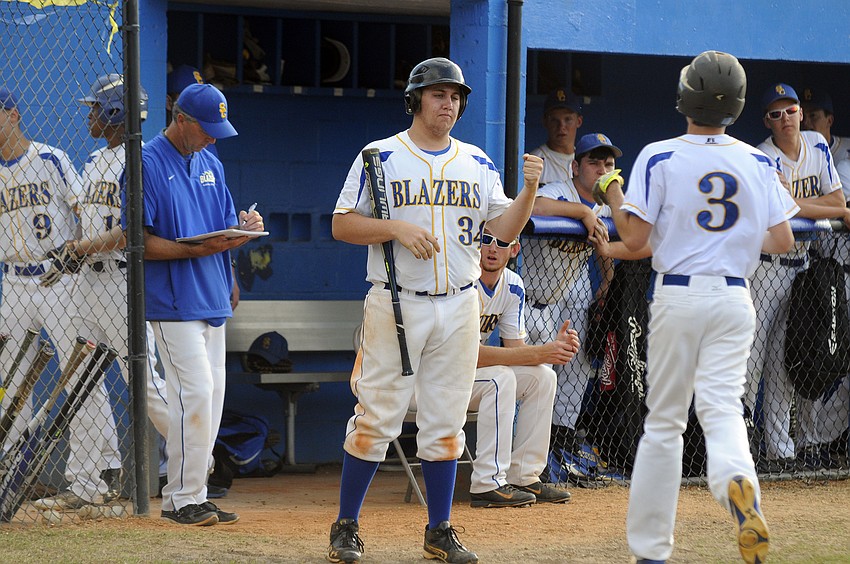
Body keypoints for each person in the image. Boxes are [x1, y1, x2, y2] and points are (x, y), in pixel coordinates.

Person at [328, 57, 543, 564]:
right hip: (396, 302)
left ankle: (439, 529)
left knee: (446, 420)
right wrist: (396, 228)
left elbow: (505, 231)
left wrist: (530, 191)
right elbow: (341, 225)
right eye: (438, 94)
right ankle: (346, 525)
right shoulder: (379, 156)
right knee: (377, 417)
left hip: (460, 302)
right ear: (415, 100)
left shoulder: (477, 161)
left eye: (456, 96)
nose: (449, 103)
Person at [598, 50, 798, 563]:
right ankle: (738, 482)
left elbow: (634, 236)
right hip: (735, 295)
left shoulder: (661, 155)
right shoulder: (759, 161)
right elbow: (782, 242)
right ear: (738, 104)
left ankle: (651, 552)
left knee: (665, 424)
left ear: (685, 97)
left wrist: (611, 187)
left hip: (679, 293)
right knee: (723, 407)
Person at [30, 75, 171, 510]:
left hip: (122, 282)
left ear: (115, 111)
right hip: (87, 284)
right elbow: (87, 225)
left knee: (143, 382)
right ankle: (88, 482)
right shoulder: (94, 161)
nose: (88, 114)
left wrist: (77, 249)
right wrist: (67, 257)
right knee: (80, 381)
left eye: (95, 107)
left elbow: (131, 231)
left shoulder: (140, 159)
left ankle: (196, 460)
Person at [131, 82, 263, 526]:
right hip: (172, 300)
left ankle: (190, 495)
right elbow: (140, 242)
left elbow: (222, 226)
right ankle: (184, 497)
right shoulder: (147, 161)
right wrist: (193, 252)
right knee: (195, 394)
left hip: (212, 293)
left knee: (213, 399)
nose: (212, 137)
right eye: (206, 128)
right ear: (180, 118)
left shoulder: (210, 159)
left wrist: (244, 229)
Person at [750, 83, 845, 472]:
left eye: (790, 110)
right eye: (776, 114)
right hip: (765, 268)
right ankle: (740, 444)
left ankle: (781, 451)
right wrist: (810, 208)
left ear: (801, 114)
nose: (785, 119)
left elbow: (838, 205)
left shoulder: (817, 146)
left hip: (803, 268)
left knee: (785, 360)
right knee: (750, 359)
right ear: (767, 122)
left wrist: (798, 203)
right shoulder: (762, 156)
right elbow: (783, 214)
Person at [524, 133, 619, 485]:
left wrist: (607, 279)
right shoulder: (557, 190)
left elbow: (608, 239)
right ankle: (533, 456)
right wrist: (581, 211)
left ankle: (561, 447)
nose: (602, 169)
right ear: (576, 166)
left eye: (608, 164)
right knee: (540, 376)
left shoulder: (607, 204)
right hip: (531, 298)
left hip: (567, 295)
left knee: (577, 372)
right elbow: (533, 206)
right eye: (595, 162)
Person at [467, 230, 578, 508]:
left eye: (502, 242)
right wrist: (541, 352)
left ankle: (524, 475)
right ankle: (487, 483)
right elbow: (466, 355)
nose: (493, 249)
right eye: (486, 240)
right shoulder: (462, 280)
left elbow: (516, 349)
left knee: (543, 377)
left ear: (514, 250)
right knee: (500, 377)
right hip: (434, 378)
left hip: (467, 378)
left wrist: (555, 348)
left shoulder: (513, 285)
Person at [0, 85, 83, 450]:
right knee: (11, 378)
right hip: (14, 284)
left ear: (13, 115)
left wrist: (78, 250)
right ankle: (13, 470)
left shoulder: (50, 159)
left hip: (58, 279)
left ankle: (96, 472)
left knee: (76, 372)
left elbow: (86, 213)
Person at [530, 86, 583, 184]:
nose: (561, 127)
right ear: (545, 122)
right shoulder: (534, 161)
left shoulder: (586, 161)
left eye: (568, 120)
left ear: (579, 121)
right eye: (554, 120)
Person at [801, 88, 850, 169]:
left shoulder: (847, 146)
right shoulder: (794, 157)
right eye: (802, 116)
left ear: (829, 121)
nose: (805, 122)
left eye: (813, 116)